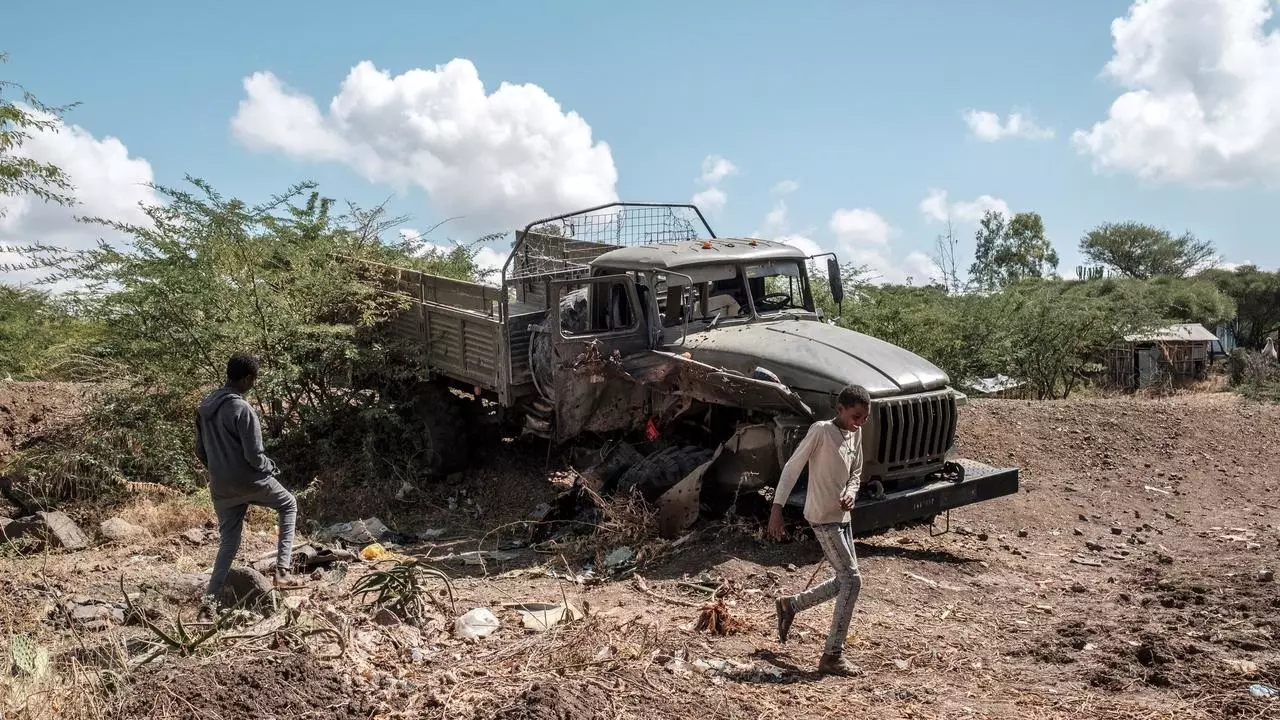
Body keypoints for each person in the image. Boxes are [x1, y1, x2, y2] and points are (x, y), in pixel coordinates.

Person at [766, 384, 870, 676]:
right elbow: (792, 467)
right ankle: (832, 655)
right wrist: (777, 508)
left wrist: (852, 492)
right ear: (840, 410)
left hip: (843, 518)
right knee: (852, 581)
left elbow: (856, 472)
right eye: (855, 416)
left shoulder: (855, 433)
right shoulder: (821, 431)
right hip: (822, 517)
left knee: (845, 580)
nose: (859, 422)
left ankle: (791, 605)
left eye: (864, 417)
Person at [196, 353, 304, 612]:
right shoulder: (242, 408)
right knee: (289, 504)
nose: (253, 384)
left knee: (228, 543)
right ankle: (282, 572)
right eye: (253, 379)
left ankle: (208, 605)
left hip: (220, 486)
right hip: (249, 479)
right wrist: (270, 467)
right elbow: (254, 456)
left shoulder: (203, 408)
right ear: (246, 379)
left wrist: (220, 470)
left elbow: (200, 451)